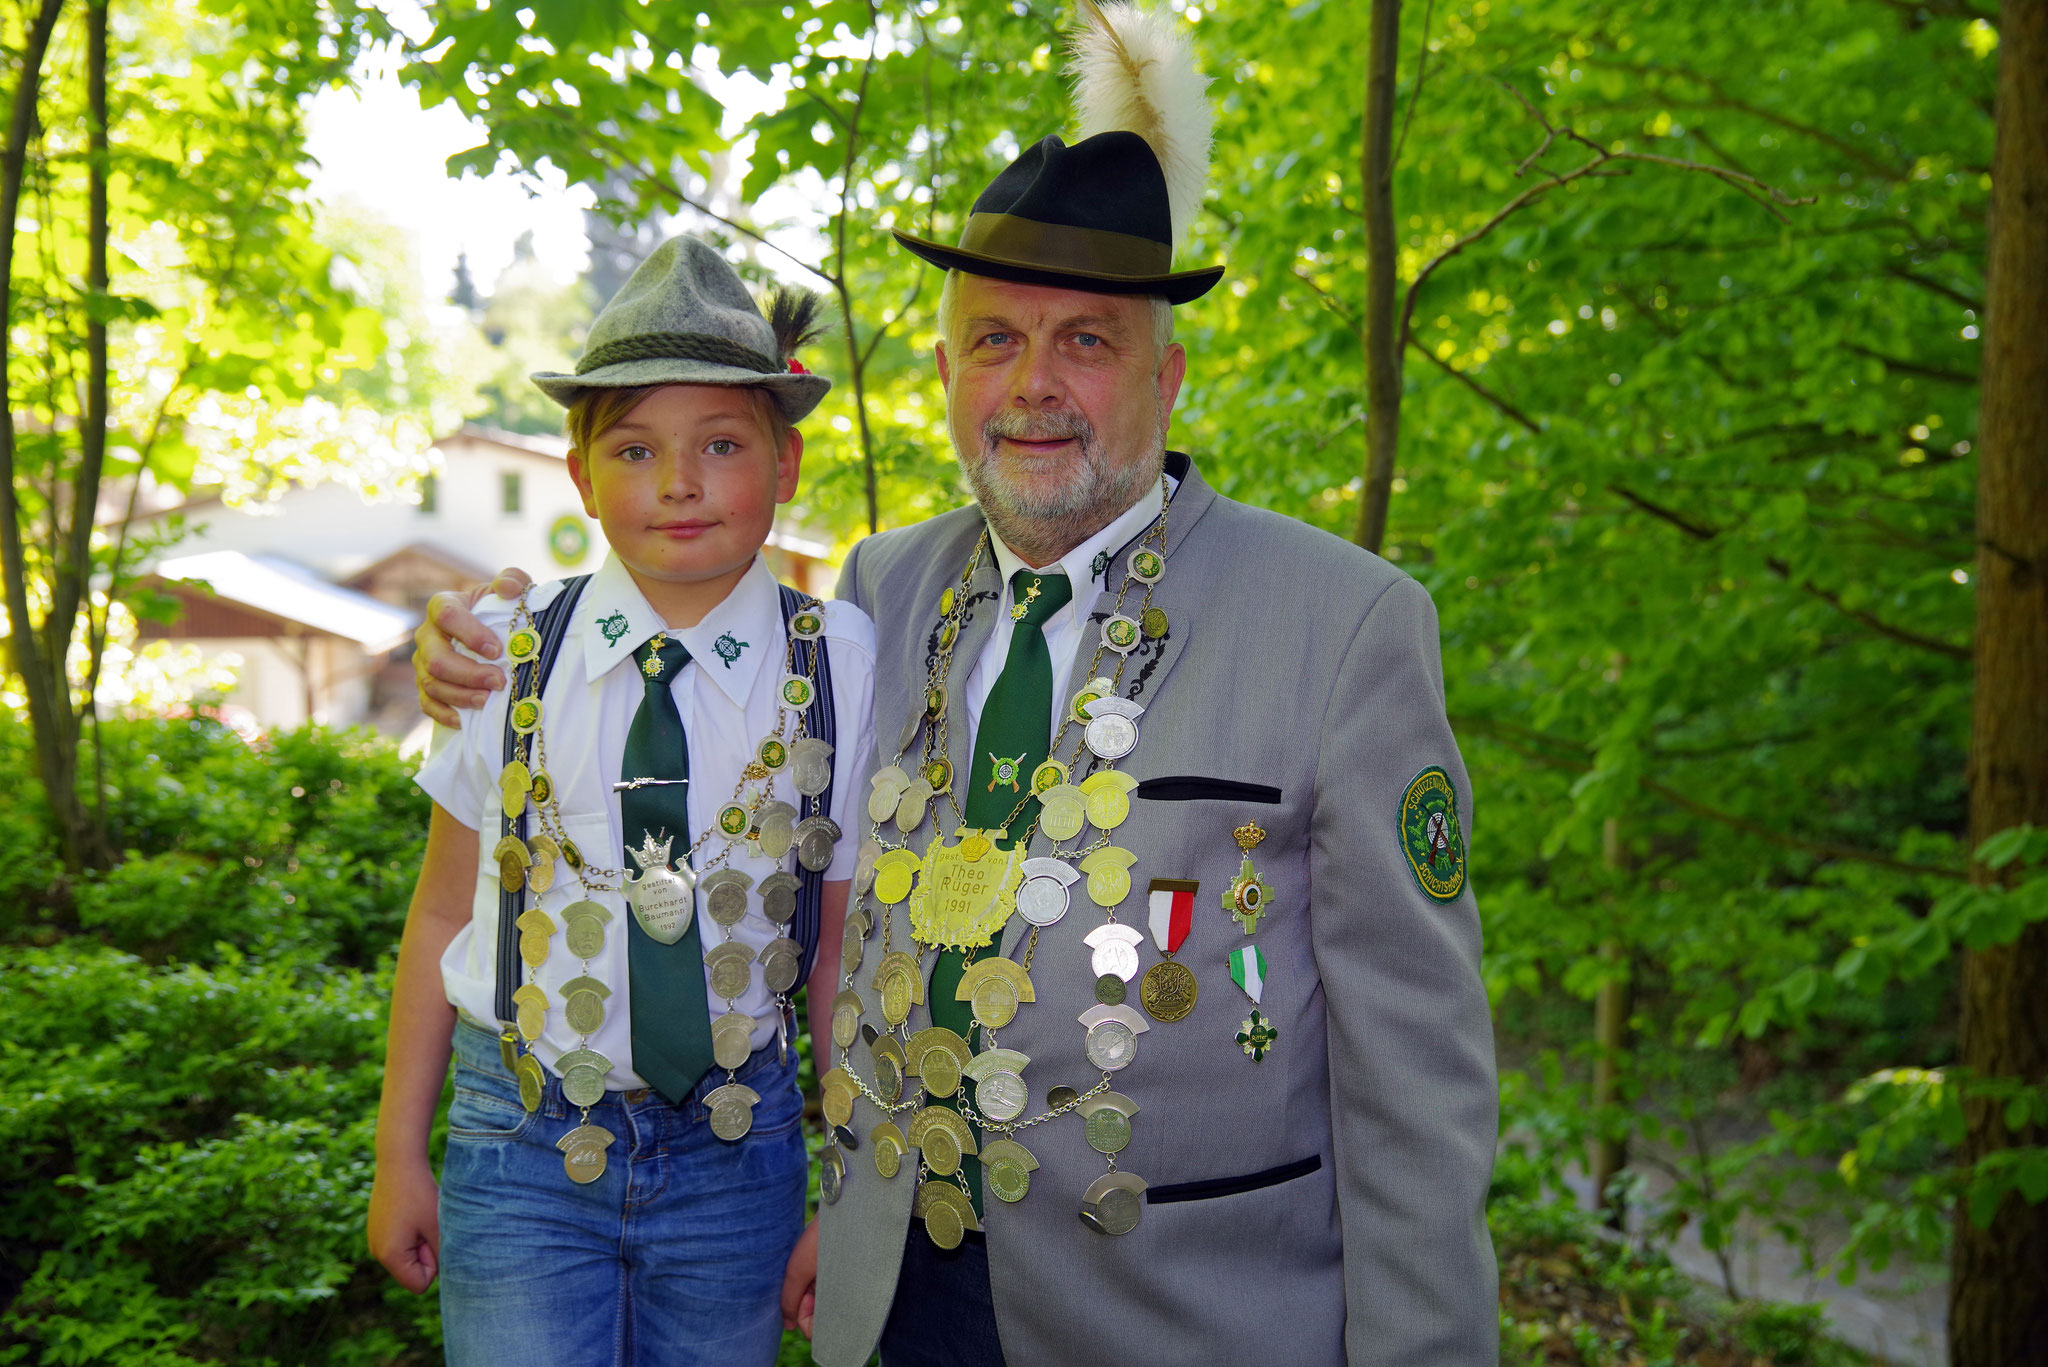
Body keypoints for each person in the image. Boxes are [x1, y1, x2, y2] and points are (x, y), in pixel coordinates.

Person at [413, 7, 1498, 1365]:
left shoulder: (1343, 625)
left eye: (1086, 343)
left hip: (1189, 1313)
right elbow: (675, 632)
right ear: (942, 374)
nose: (1032, 385)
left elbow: (1419, 1082)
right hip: (896, 1294)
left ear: (1167, 374)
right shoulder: (879, 590)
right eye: (993, 340)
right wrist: (474, 633)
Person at [368, 234, 876, 1367]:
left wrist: (846, 1186)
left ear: (786, 464)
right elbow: (445, 912)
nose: (678, 482)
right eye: (636, 447)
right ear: (580, 475)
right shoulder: (500, 654)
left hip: (738, 1156)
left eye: (722, 443)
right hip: (521, 1143)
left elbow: (838, 951)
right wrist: (399, 1149)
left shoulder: (842, 661)